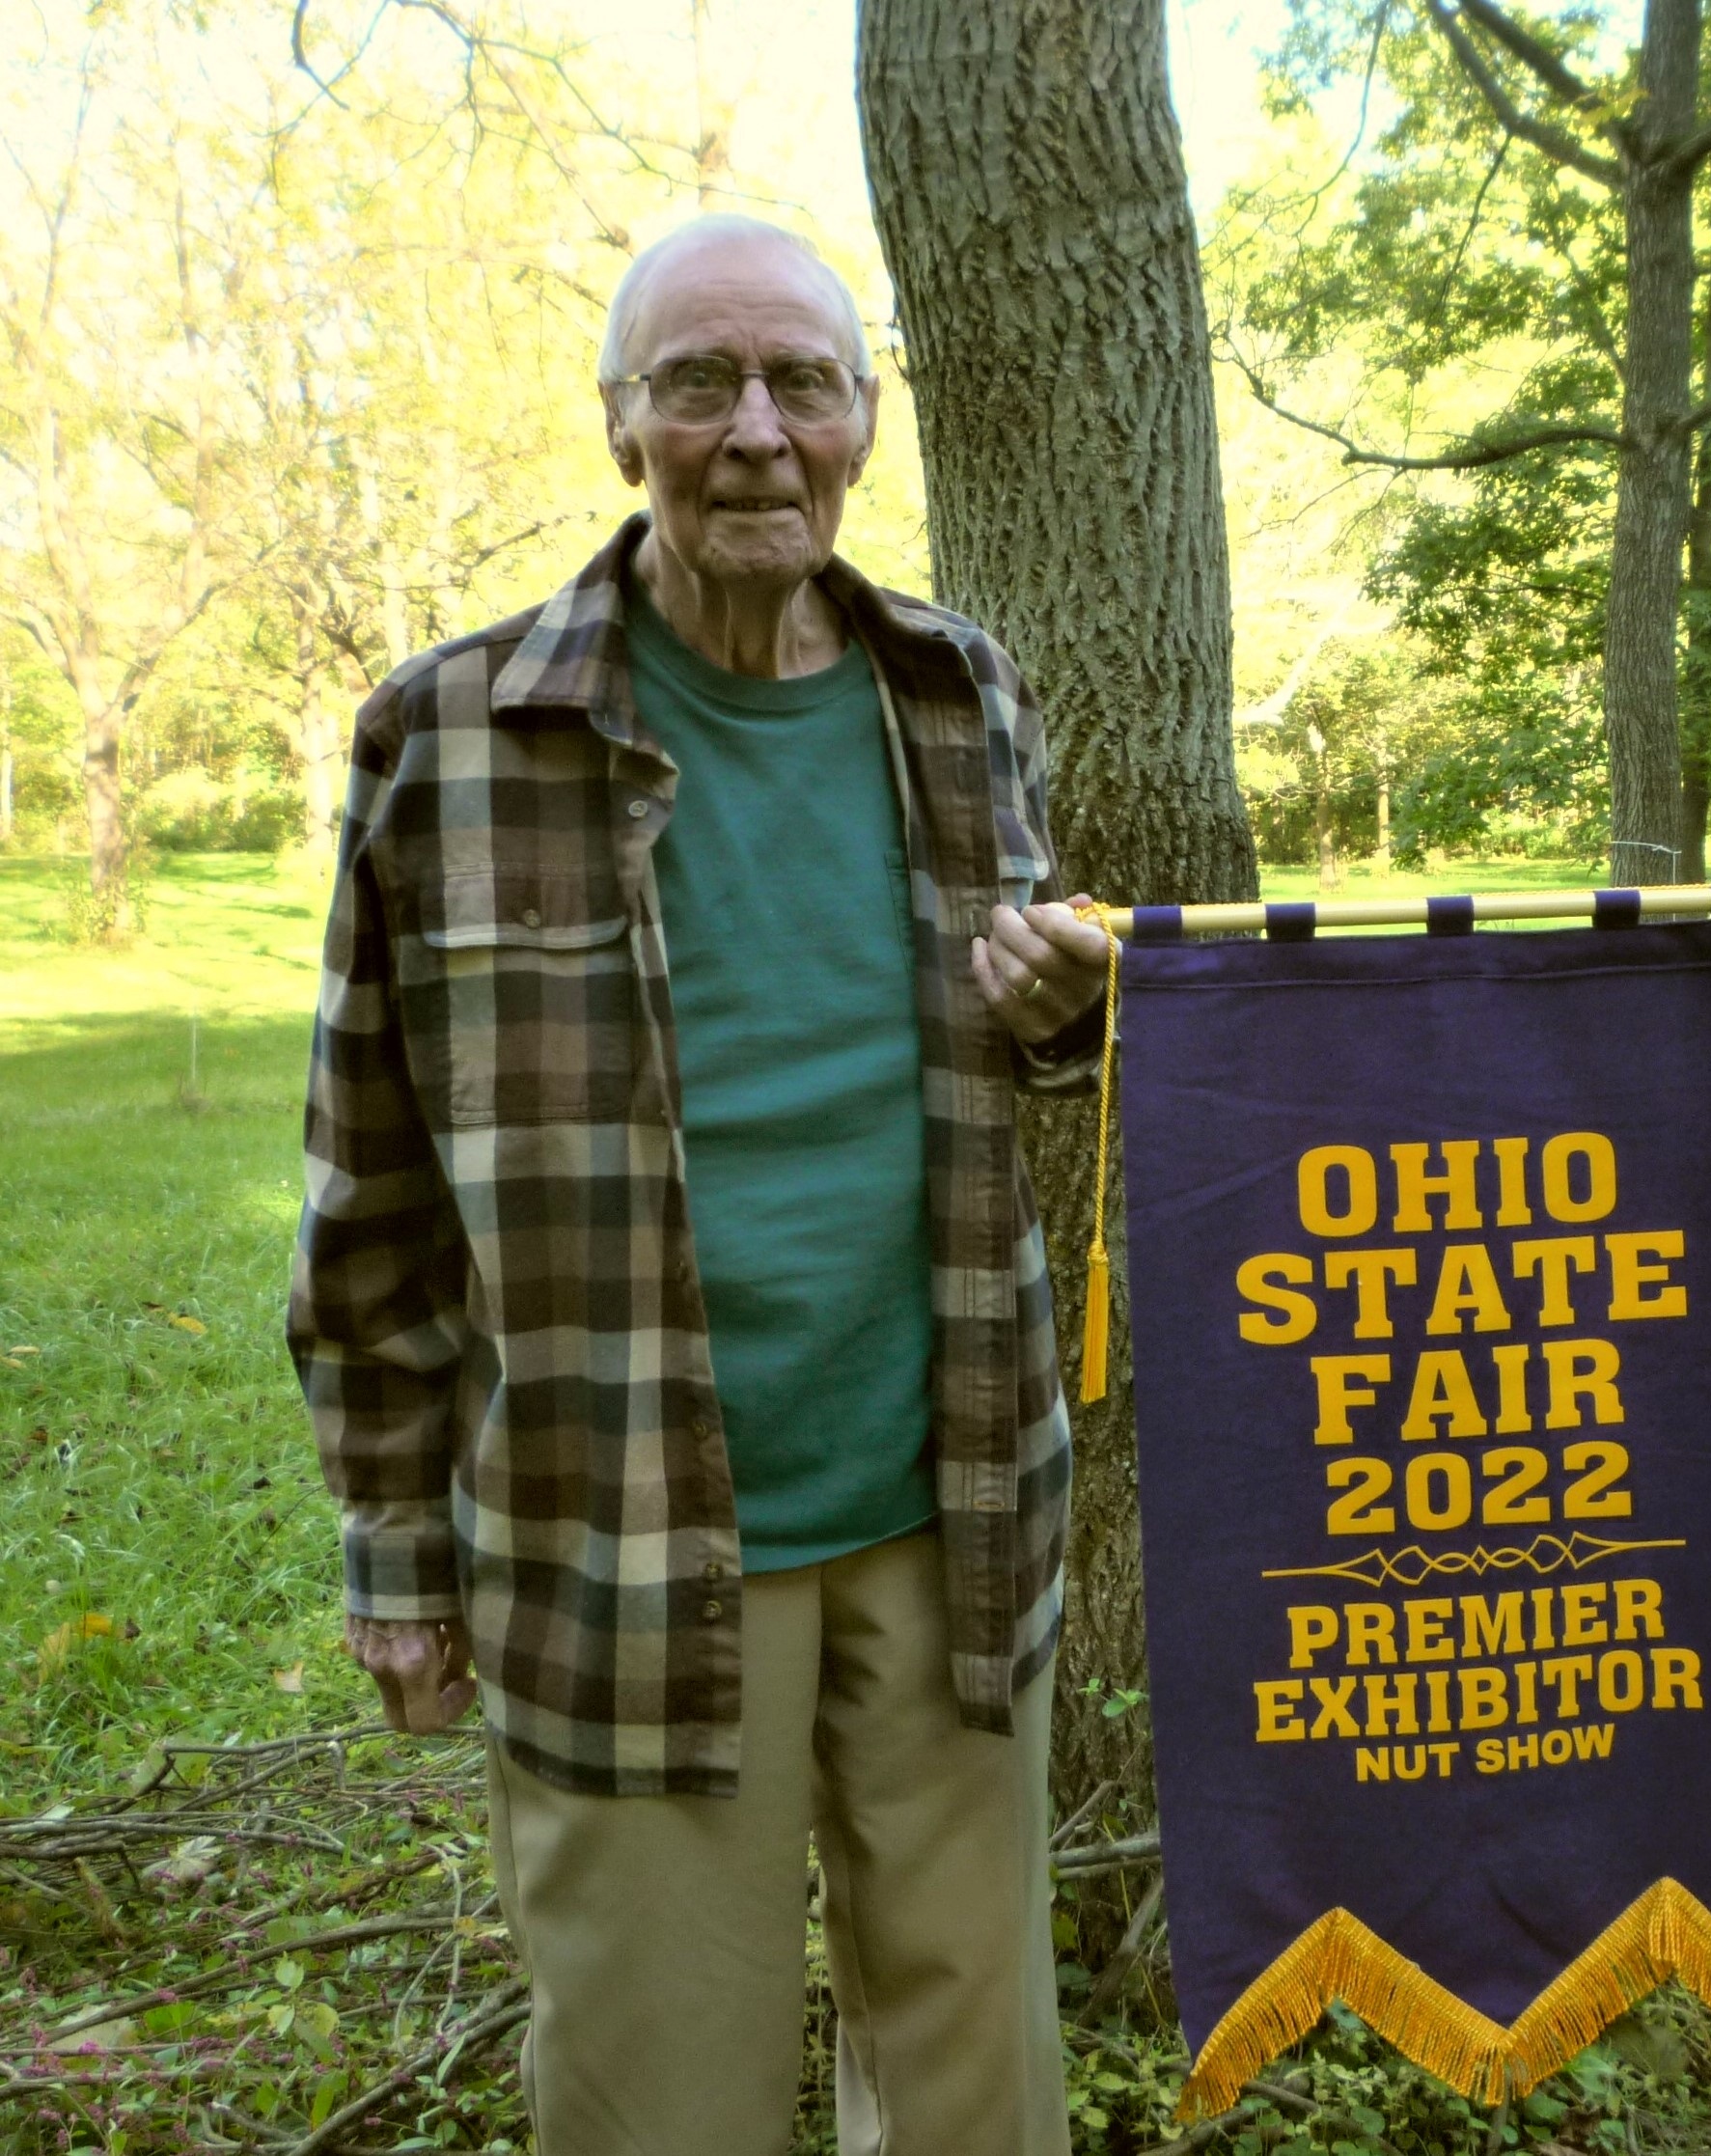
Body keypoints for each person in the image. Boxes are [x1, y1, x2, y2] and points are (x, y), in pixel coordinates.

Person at [288, 213, 1107, 2156]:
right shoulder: (454, 733)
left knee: (976, 2096)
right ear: (617, 426)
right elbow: (368, 1178)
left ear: (862, 421)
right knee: (660, 2103)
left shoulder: (959, 696)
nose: (754, 432)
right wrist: (396, 1552)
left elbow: (1013, 1043)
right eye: (697, 383)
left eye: (800, 383)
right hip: (618, 1547)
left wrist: (1065, 1018)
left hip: (952, 1515)